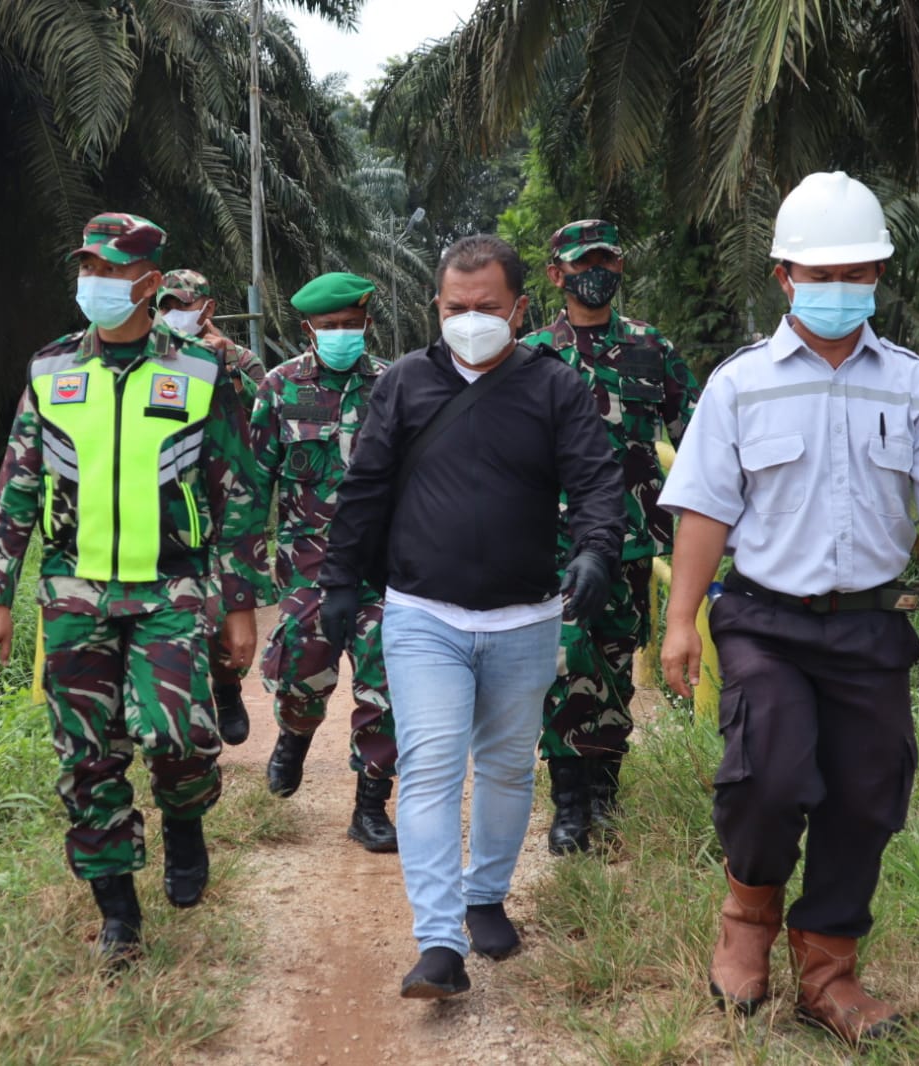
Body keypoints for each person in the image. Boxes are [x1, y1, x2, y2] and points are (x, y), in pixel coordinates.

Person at [659, 172, 919, 1045]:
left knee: (866, 793)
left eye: (857, 273)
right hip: (765, 619)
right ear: (782, 276)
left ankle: (830, 972)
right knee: (769, 772)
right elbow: (704, 510)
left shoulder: (912, 385)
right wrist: (679, 620)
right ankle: (746, 920)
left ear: (879, 273)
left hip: (871, 624)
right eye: (820, 272)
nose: (839, 289)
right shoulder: (739, 385)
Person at [319, 235, 626, 999]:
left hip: (525, 617)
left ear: (518, 308)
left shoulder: (554, 387)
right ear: (436, 306)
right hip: (423, 613)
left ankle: (484, 894)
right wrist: (338, 581)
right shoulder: (402, 385)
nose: (469, 320)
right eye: (455, 308)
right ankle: (438, 944)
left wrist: (594, 552)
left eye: (486, 308)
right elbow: (364, 488)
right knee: (427, 764)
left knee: (504, 764)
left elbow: (595, 480)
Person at [0, 213, 265, 966]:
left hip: (172, 588)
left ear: (149, 282)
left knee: (177, 735)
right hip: (74, 589)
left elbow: (237, 491)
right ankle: (119, 914)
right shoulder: (53, 369)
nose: (95, 282)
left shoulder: (203, 371)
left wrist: (238, 606)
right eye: (88, 268)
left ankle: (186, 821)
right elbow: (18, 484)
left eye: (111, 269)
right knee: (86, 754)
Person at [528, 219, 698, 854]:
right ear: (556, 274)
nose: (592, 271)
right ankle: (569, 802)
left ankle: (605, 792)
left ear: (620, 269)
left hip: (631, 538)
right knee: (566, 661)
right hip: (555, 539)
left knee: (618, 665)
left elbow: (700, 435)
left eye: (604, 260)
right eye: (579, 262)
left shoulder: (654, 349)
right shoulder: (534, 354)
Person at [249, 272, 398, 852]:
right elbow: (253, 483)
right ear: (308, 327)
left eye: (352, 325)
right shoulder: (280, 388)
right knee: (305, 672)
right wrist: (244, 571)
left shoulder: (394, 384)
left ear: (367, 324)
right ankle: (294, 735)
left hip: (384, 569)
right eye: (330, 326)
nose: (342, 334)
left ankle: (369, 805)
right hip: (307, 564)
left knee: (387, 679)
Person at [156, 268, 269, 746]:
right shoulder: (153, 355)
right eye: (165, 304)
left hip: (222, 493)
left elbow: (264, 408)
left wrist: (226, 368)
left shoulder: (239, 358)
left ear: (207, 307)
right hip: (170, 501)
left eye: (182, 303)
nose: (172, 313)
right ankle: (187, 717)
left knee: (220, 611)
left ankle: (227, 690)